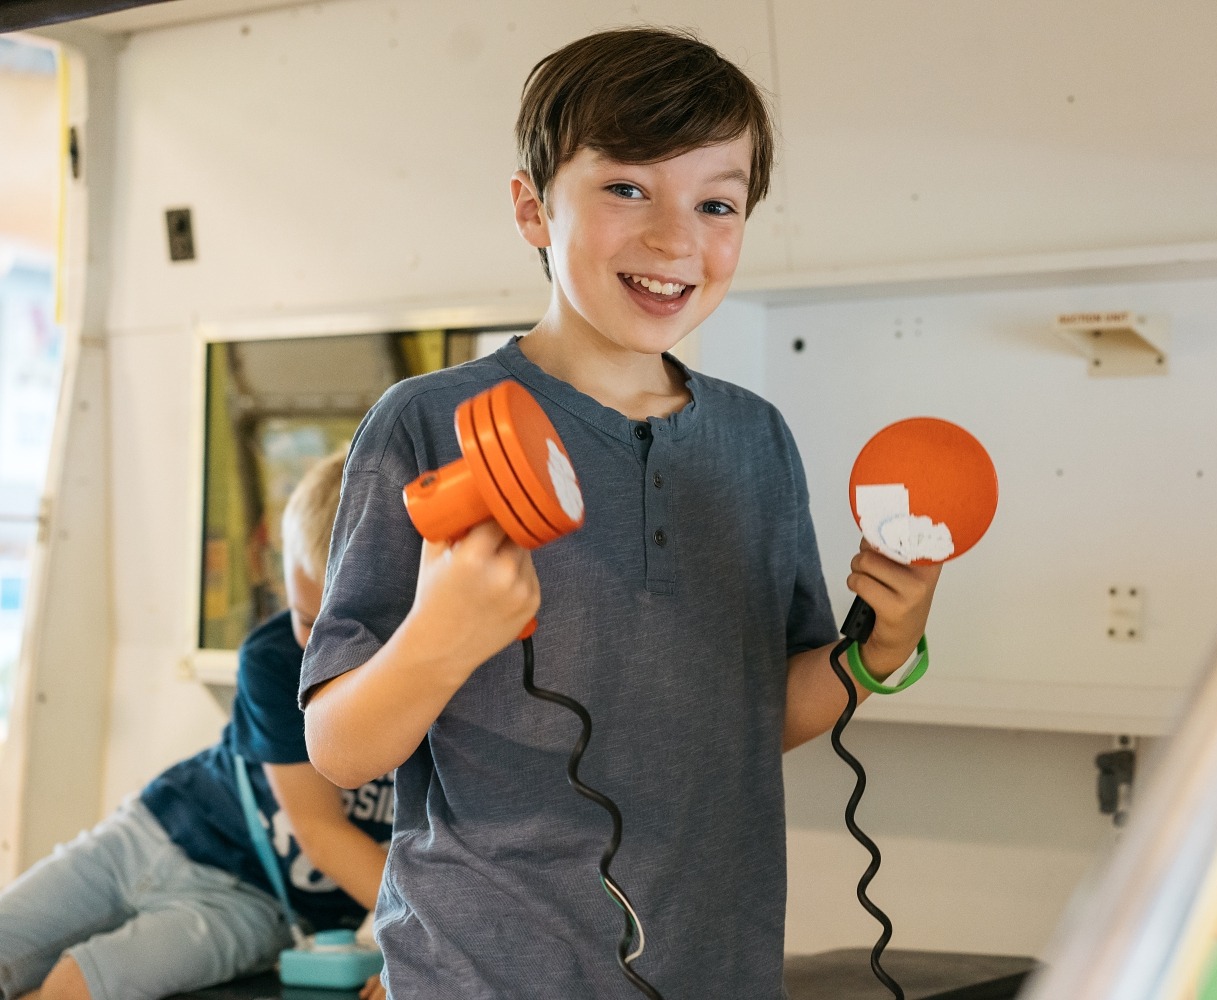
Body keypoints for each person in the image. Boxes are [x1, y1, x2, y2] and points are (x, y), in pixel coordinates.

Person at [301, 26, 943, 999]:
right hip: (475, 977)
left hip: (714, 969)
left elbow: (748, 716)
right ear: (532, 207)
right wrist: (442, 636)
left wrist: (876, 652)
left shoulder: (756, 439)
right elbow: (340, 746)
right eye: (627, 188)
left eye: (716, 202)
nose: (674, 238)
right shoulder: (424, 421)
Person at [0, 446, 393, 1000]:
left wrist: (421, 946)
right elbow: (321, 831)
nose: (319, 643)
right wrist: (422, 931)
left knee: (76, 986)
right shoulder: (275, 658)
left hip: (252, 903)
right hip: (151, 832)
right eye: (306, 618)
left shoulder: (437, 692)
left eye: (341, 623)